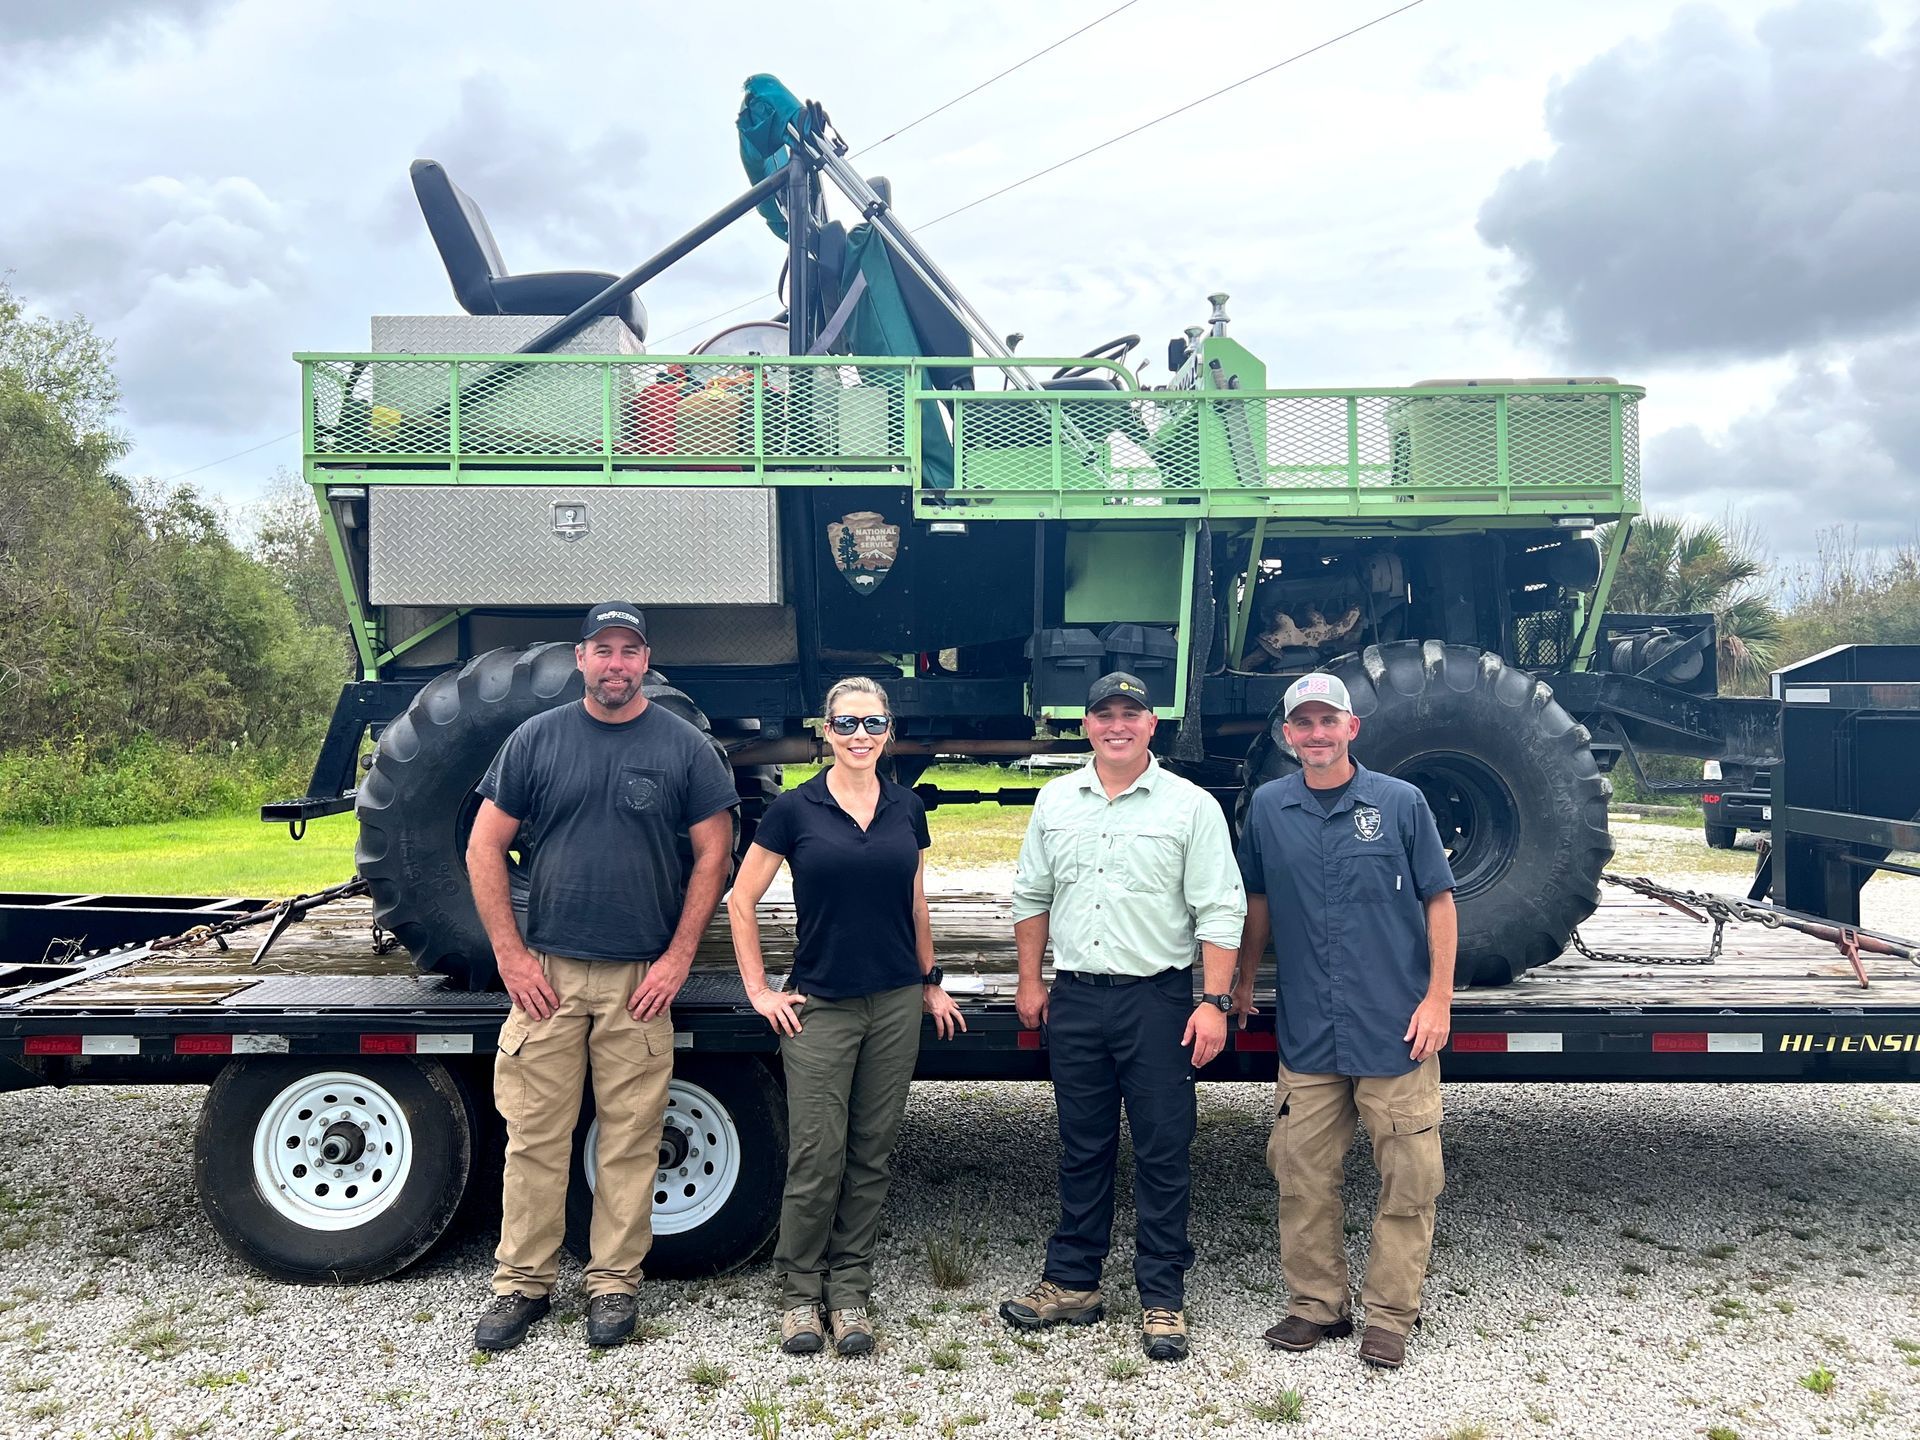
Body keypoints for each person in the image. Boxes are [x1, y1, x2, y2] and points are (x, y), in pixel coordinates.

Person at [467, 603, 739, 1352]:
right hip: (546, 978)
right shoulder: (536, 740)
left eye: (630, 651)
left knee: (631, 1141)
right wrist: (511, 956)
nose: (616, 664)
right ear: (579, 660)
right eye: (603, 650)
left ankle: (613, 1286)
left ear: (645, 660)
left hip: (639, 983)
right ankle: (521, 1285)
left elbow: (714, 856)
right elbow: (483, 848)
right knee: (535, 1139)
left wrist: (680, 958)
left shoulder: (684, 748)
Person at [1002, 672, 1246, 1362]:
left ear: (1151, 724)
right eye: (1103, 713)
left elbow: (1220, 909)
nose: (1117, 724)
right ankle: (1073, 1283)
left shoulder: (1188, 807)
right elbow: (1031, 893)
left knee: (1164, 1150)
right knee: (1083, 1147)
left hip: (1158, 1002)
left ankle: (1162, 1298)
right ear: (1086, 725)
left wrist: (1214, 1001)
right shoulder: (1056, 800)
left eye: (1129, 713)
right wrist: (1030, 981)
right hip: (1076, 997)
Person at [728, 677, 968, 1357]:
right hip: (822, 1005)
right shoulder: (794, 810)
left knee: (871, 1152)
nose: (859, 736)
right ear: (823, 731)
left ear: (888, 731)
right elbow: (741, 901)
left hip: (894, 1001)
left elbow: (916, 902)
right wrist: (759, 990)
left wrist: (932, 982)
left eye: (872, 724)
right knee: (816, 1153)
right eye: (846, 723)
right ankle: (800, 1292)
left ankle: (851, 1290)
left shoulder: (906, 808)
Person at [1232, 671, 1456, 1370]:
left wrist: (1438, 1000)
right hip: (1310, 1031)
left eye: (1330, 721)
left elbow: (1440, 902)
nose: (1318, 734)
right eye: (1305, 724)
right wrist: (1240, 983)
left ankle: (1390, 1315)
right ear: (1288, 736)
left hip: (1396, 1025)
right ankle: (1315, 1305)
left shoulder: (1400, 804)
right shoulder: (1269, 808)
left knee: (1409, 1179)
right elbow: (1259, 904)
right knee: (1300, 1173)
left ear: (1352, 729)